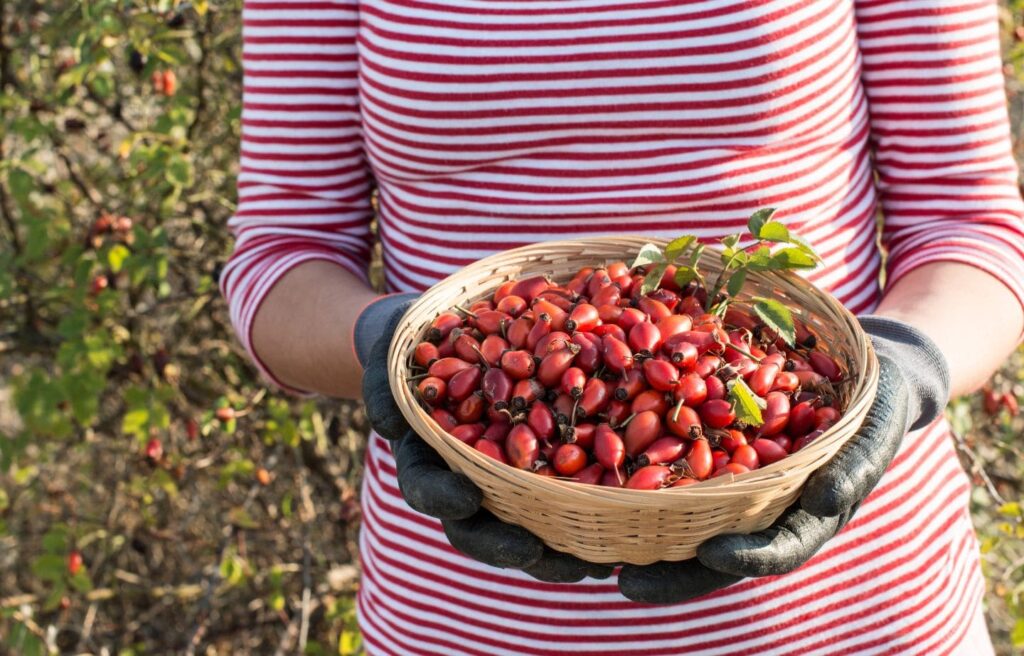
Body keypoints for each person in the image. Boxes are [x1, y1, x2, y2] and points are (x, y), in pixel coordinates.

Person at [220, 0, 1024, 653]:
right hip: (467, 624)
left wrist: (907, 365)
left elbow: (972, 225)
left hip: (855, 617)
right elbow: (279, 260)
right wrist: (390, 346)